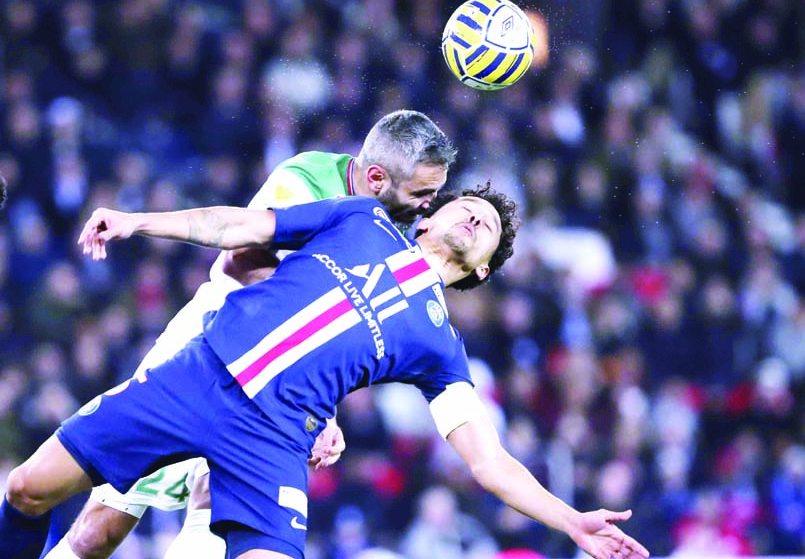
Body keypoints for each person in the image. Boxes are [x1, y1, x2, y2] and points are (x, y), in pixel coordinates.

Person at [1, 184, 650, 559]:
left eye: (486, 229)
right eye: (467, 205)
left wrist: (569, 520)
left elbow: (487, 462)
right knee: (27, 490)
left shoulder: (440, 347)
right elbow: (239, 226)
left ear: (481, 271)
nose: (476, 215)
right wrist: (142, 220)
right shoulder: (361, 219)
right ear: (427, 213)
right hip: (194, 378)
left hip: (273, 441)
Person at [44, 109, 456, 559]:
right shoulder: (307, 180)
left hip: (275, 390)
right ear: (377, 177)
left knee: (214, 518)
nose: (427, 206)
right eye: (422, 192)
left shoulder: (394, 221)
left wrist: (322, 405)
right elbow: (239, 259)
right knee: (102, 530)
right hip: (209, 354)